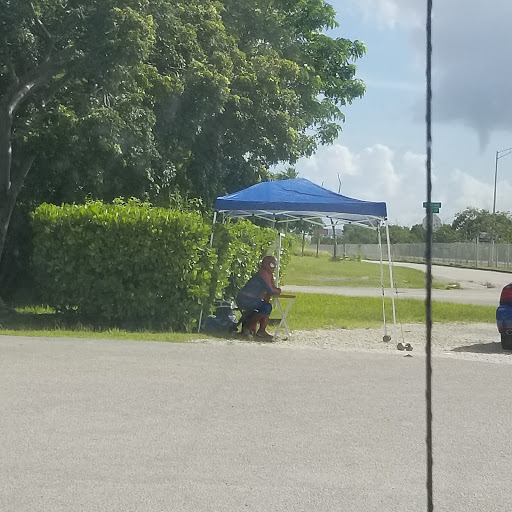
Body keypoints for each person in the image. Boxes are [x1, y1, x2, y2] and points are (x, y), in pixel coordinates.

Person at [236, 255, 281, 339]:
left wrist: (275, 288)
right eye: (271, 265)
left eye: (275, 265)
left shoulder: (267, 274)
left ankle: (253, 328)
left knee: (265, 306)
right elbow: (271, 290)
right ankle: (254, 327)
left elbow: (270, 289)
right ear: (266, 264)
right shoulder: (263, 274)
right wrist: (278, 290)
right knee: (267, 307)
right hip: (246, 300)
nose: (274, 267)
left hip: (248, 299)